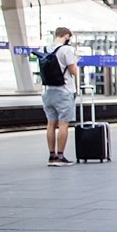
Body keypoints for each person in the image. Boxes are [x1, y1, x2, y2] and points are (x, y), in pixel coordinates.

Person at [40, 26, 79, 166]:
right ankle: (60, 157)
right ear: (66, 35)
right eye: (69, 37)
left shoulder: (43, 49)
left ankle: (51, 156)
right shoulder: (67, 50)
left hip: (47, 91)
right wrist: (77, 61)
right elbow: (73, 71)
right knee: (63, 124)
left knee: (51, 124)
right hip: (64, 91)